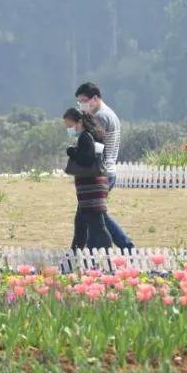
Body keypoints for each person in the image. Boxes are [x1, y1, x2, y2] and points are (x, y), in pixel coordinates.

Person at [75, 82, 133, 250]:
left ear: (95, 98)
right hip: (109, 170)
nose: (81, 105)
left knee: (92, 216)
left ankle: (125, 247)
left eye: (84, 100)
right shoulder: (110, 113)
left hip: (100, 173)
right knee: (94, 215)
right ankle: (85, 251)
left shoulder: (99, 117)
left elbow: (92, 148)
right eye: (79, 101)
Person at [63, 108, 112, 250]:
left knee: (98, 226)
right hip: (95, 186)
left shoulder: (85, 137)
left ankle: (110, 258)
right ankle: (73, 255)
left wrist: (72, 151)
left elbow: (86, 159)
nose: (69, 129)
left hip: (91, 188)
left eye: (70, 126)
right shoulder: (94, 134)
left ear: (79, 122)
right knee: (80, 223)